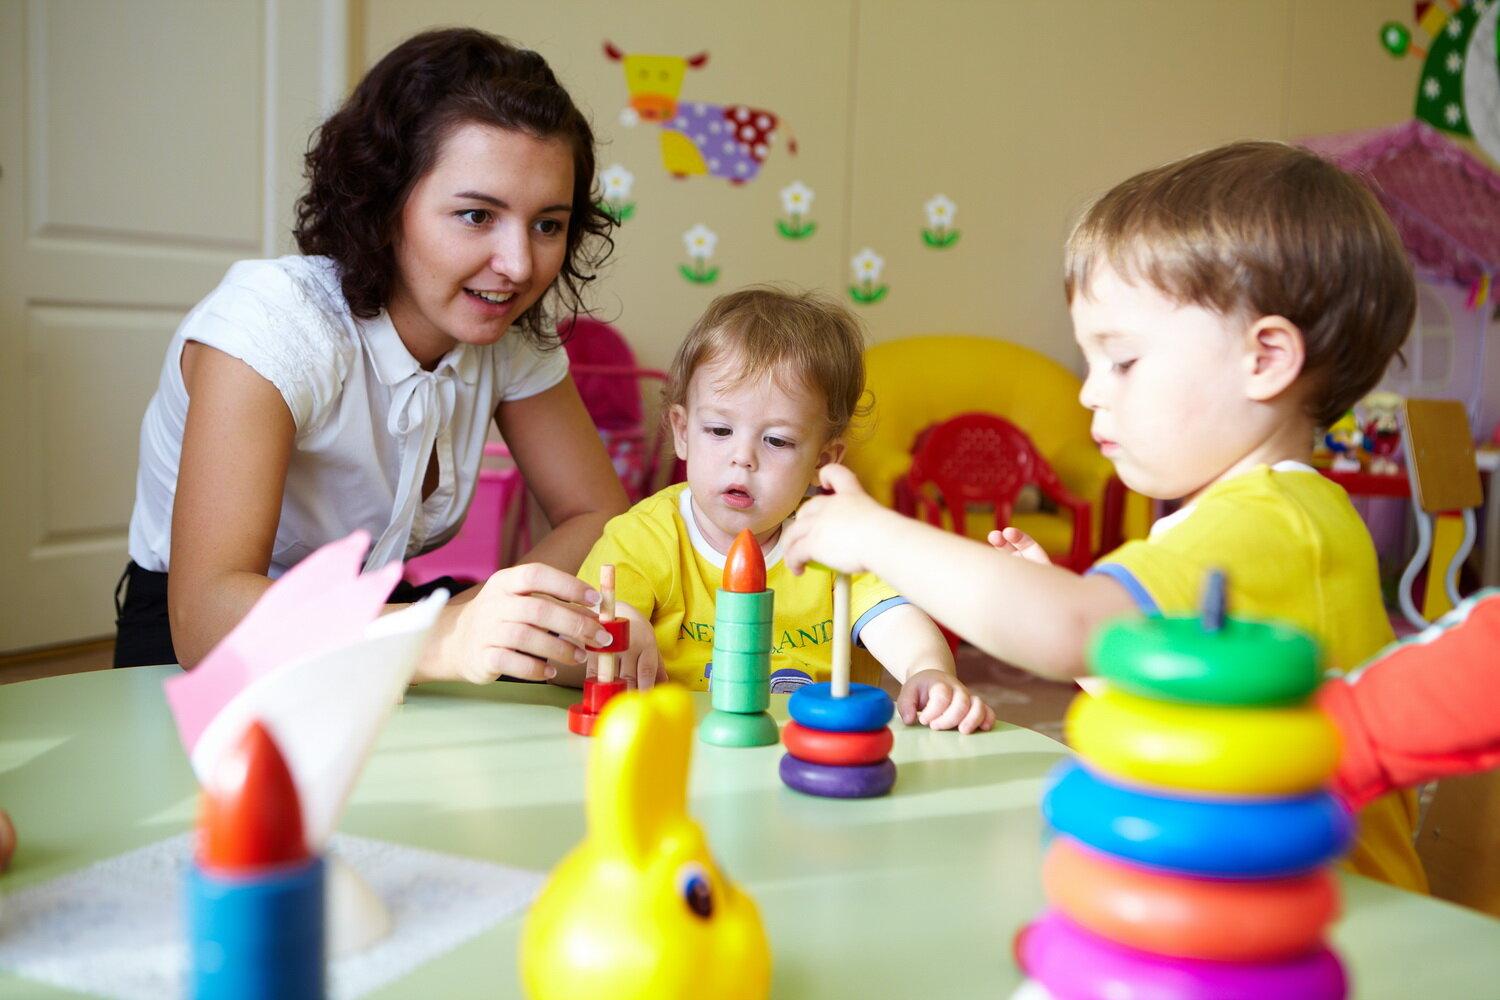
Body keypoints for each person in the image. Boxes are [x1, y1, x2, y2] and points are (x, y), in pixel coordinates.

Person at [782, 141, 1427, 888]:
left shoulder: (1270, 521)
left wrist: (875, 534)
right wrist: (1071, 613)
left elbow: (1068, 632)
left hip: (1338, 918)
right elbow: (1202, 700)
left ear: (1265, 359)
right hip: (1262, 893)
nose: (1091, 392)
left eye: (1121, 360)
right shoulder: (1282, 513)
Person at [115, 28, 630, 682]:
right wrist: (439, 634)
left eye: (547, 224)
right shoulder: (274, 322)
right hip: (207, 642)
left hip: (377, 620)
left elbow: (600, 512)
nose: (520, 264)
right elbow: (206, 616)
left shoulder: (510, 331)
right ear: (386, 204)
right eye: (477, 215)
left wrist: (491, 610)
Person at [572, 287, 995, 734]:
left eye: (776, 441)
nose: (743, 457)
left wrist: (927, 670)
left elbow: (895, 620)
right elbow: (583, 632)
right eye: (718, 430)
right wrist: (620, 630)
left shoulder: (837, 542)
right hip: (682, 745)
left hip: (811, 748)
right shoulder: (644, 537)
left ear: (823, 461)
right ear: (682, 431)